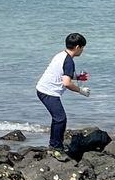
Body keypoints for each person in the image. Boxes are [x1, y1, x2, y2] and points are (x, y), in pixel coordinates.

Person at [36, 33, 90, 162]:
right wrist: (80, 90)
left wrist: (78, 77)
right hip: (48, 92)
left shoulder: (61, 55)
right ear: (77, 47)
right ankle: (57, 149)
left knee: (57, 119)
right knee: (61, 119)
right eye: (82, 48)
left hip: (43, 89)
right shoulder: (69, 61)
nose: (82, 50)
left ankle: (52, 145)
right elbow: (66, 83)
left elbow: (63, 74)